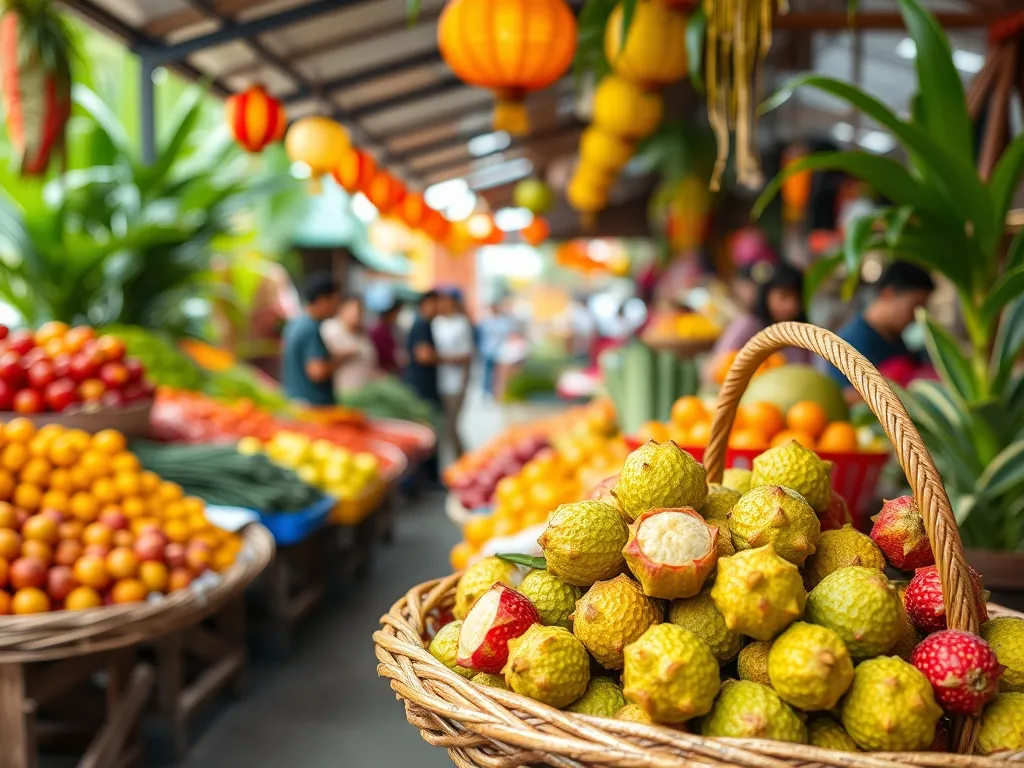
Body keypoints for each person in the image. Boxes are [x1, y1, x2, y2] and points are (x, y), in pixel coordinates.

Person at [829, 262, 935, 393]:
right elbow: (843, 398)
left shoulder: (895, 337)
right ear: (888, 294)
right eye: (914, 307)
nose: (916, 317)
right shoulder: (850, 345)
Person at [704, 262, 811, 383]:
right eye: (783, 296)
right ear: (766, 295)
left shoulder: (801, 336)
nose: (791, 305)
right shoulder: (748, 325)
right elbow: (714, 369)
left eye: (797, 299)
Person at [281, 274, 343, 405]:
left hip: (295, 400)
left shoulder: (295, 323)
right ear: (323, 300)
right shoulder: (311, 329)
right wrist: (341, 361)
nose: (337, 307)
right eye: (335, 301)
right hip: (312, 405)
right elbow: (317, 372)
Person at [432, 291, 474, 460]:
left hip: (455, 382)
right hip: (438, 381)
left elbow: (466, 356)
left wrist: (437, 358)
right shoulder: (436, 322)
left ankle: (463, 459)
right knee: (444, 425)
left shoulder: (461, 324)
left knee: (451, 425)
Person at [320, 295, 379, 396]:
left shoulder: (361, 334)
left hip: (367, 386)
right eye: (353, 311)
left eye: (359, 312)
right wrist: (349, 352)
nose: (356, 315)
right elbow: (330, 357)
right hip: (348, 389)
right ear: (342, 309)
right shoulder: (332, 328)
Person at [478, 299, 515, 396]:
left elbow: (507, 335)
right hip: (487, 350)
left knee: (498, 373)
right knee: (487, 372)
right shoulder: (486, 320)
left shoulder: (503, 321)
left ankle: (495, 391)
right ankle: (486, 391)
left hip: (500, 351)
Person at [368, 301, 403, 375]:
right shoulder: (379, 331)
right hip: (381, 372)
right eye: (396, 314)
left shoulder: (389, 329)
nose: (396, 317)